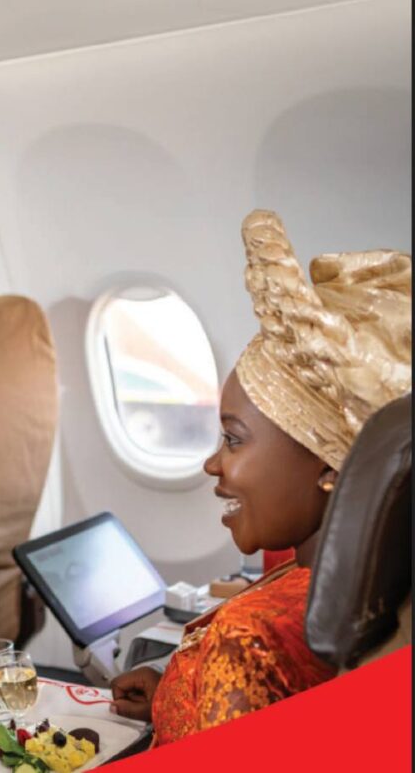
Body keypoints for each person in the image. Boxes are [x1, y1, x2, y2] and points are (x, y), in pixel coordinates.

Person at [110, 210, 411, 745]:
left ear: (328, 465)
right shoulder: (342, 583)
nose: (212, 464)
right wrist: (173, 692)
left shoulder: (246, 641)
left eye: (233, 439)